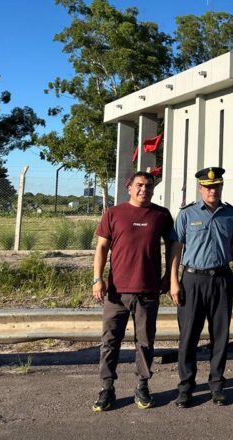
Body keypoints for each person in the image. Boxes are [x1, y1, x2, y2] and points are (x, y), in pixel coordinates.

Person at [91, 171, 175, 412]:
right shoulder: (114, 213)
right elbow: (102, 248)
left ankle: (142, 385)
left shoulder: (161, 215)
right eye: (139, 186)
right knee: (109, 341)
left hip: (148, 291)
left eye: (148, 186)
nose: (144, 190)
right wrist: (98, 279)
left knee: (145, 342)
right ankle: (107, 388)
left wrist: (169, 277)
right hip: (116, 292)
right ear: (129, 187)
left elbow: (172, 247)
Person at [170, 167, 233, 408]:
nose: (212, 190)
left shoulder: (230, 215)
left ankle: (217, 385)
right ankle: (186, 388)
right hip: (192, 281)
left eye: (216, 186)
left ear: (221, 187)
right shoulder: (186, 214)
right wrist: (173, 280)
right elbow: (176, 249)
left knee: (220, 336)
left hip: (222, 279)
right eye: (208, 186)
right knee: (189, 336)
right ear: (200, 188)